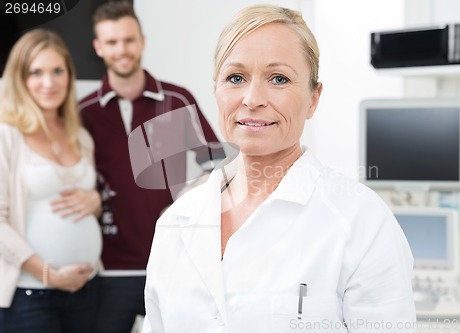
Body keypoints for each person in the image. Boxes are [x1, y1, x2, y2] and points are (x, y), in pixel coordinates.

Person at [142, 4, 416, 333]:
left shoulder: (362, 221)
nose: (253, 98)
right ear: (216, 89)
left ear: (313, 98)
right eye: (235, 77)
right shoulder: (176, 222)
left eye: (279, 78)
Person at [78, 2, 225, 332]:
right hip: (109, 269)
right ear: (98, 48)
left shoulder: (176, 99)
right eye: (112, 43)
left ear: (142, 41)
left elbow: (219, 167)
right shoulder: (83, 111)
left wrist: (185, 201)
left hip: (172, 261)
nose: (122, 50)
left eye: (129, 40)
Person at [0, 29, 102, 332]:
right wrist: (48, 274)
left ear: (69, 75)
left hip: (86, 289)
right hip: (29, 295)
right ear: (21, 78)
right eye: (36, 72)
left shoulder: (80, 136)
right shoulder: (7, 134)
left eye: (58, 71)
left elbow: (85, 206)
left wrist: (95, 201)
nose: (49, 83)